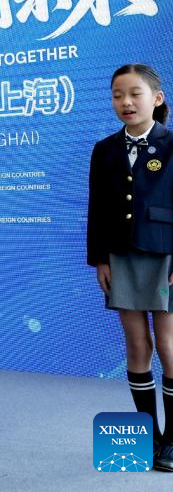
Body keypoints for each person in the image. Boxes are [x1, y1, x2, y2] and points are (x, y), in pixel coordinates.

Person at [88, 63, 173, 471]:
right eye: (118, 95)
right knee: (137, 345)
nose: (126, 102)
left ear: (156, 98)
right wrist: (99, 259)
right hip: (120, 254)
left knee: (169, 346)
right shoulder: (104, 149)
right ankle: (149, 435)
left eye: (135, 93)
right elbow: (96, 208)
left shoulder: (171, 144)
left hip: (165, 256)